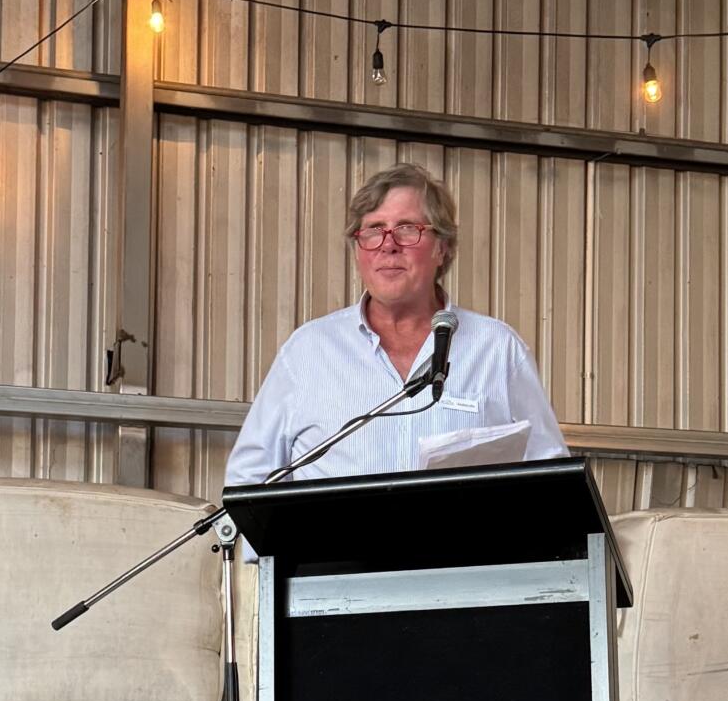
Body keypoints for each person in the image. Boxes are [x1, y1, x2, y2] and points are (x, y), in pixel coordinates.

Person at [224, 166, 567, 485]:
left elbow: (550, 476)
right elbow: (249, 478)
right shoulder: (308, 351)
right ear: (358, 249)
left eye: (407, 229)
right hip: (333, 551)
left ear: (442, 248)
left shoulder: (497, 349)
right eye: (374, 230)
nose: (388, 245)